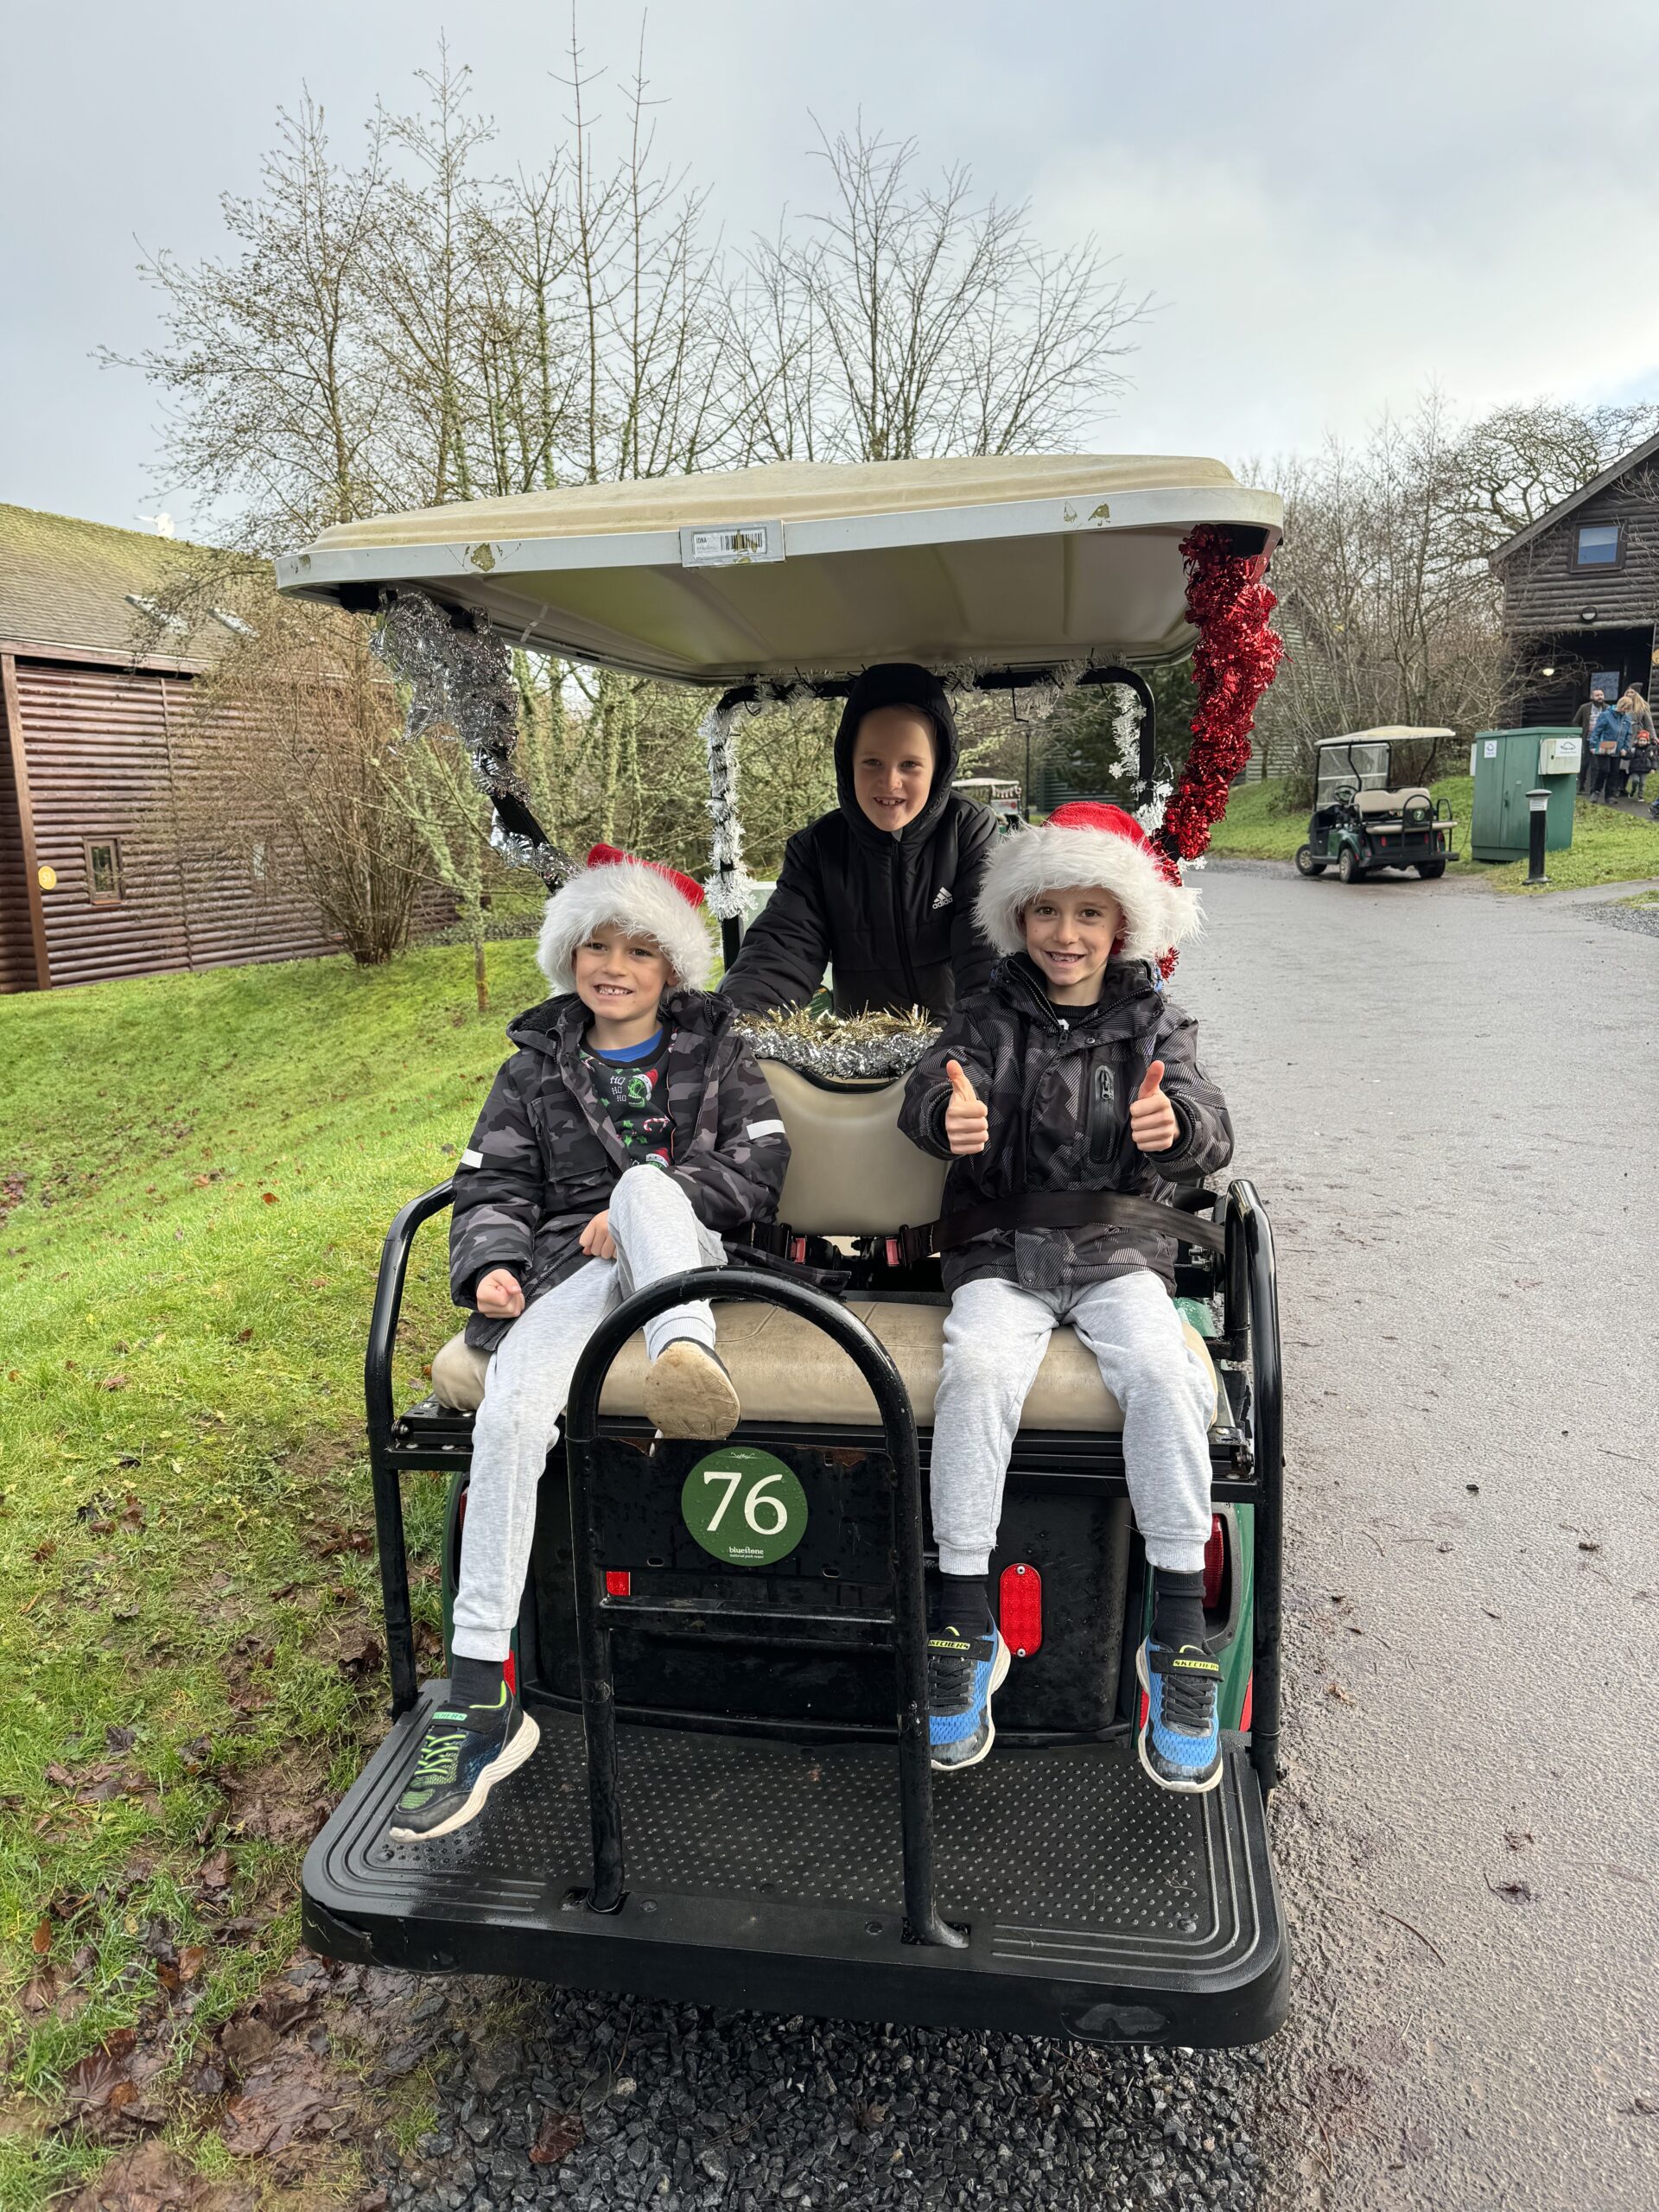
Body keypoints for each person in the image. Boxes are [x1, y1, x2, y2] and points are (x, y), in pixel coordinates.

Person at [387, 845, 790, 1842]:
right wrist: (493, 1264)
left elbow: (760, 1163)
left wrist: (643, 1201)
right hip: (572, 1273)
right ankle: (482, 1693)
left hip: (686, 1253)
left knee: (647, 1185)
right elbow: (490, 1186)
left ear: (671, 970)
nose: (613, 966)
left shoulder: (717, 1053)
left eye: (638, 951)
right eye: (595, 945)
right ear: (570, 956)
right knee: (515, 1410)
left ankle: (682, 1355)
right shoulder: (531, 1069)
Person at [899, 803, 1234, 1792]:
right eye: (1048, 911)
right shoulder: (987, 1008)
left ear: (1123, 926)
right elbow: (934, 1084)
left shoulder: (1156, 1021)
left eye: (1091, 913)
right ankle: (965, 1615)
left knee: (1167, 1373)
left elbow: (1213, 1126)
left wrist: (1172, 1125)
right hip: (1001, 1242)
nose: (1067, 934)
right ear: (1020, 920)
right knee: (980, 1367)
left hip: (1118, 1243)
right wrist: (943, 1114)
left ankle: (1176, 1630)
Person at [720, 662, 998, 1019]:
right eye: (872, 762)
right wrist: (739, 1021)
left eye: (910, 764)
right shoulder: (818, 848)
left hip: (955, 1044)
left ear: (938, 768)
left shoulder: (968, 831)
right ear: (848, 764)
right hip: (858, 1052)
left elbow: (986, 948)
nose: (890, 782)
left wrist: (991, 1033)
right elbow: (781, 949)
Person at [1590, 696, 1632, 803]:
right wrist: (1593, 745)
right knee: (1604, 770)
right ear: (1620, 705)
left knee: (1614, 773)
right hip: (1605, 747)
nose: (1626, 711)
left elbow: (1628, 734)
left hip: (1618, 750)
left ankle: (1609, 796)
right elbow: (1597, 731)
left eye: (1628, 709)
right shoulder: (1606, 715)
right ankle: (1596, 791)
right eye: (1625, 708)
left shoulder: (1627, 719)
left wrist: (1625, 748)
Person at [1618, 688, 1654, 799]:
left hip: (1636, 737)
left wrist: (1653, 737)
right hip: (1623, 735)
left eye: (1632, 692)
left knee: (1631, 762)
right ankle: (1619, 787)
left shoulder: (1643, 707)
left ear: (1637, 694)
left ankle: (1624, 787)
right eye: (1627, 692)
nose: (1629, 694)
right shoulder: (1622, 705)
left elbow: (1649, 724)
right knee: (1621, 763)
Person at [1572, 689, 1606, 794]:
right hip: (1587, 739)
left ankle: (1593, 788)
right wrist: (1580, 734)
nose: (1599, 697)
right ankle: (1581, 785)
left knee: (1596, 765)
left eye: (1601, 695)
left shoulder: (1607, 709)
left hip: (1600, 740)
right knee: (1584, 763)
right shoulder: (1585, 708)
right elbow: (1575, 722)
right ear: (1592, 697)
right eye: (1597, 695)